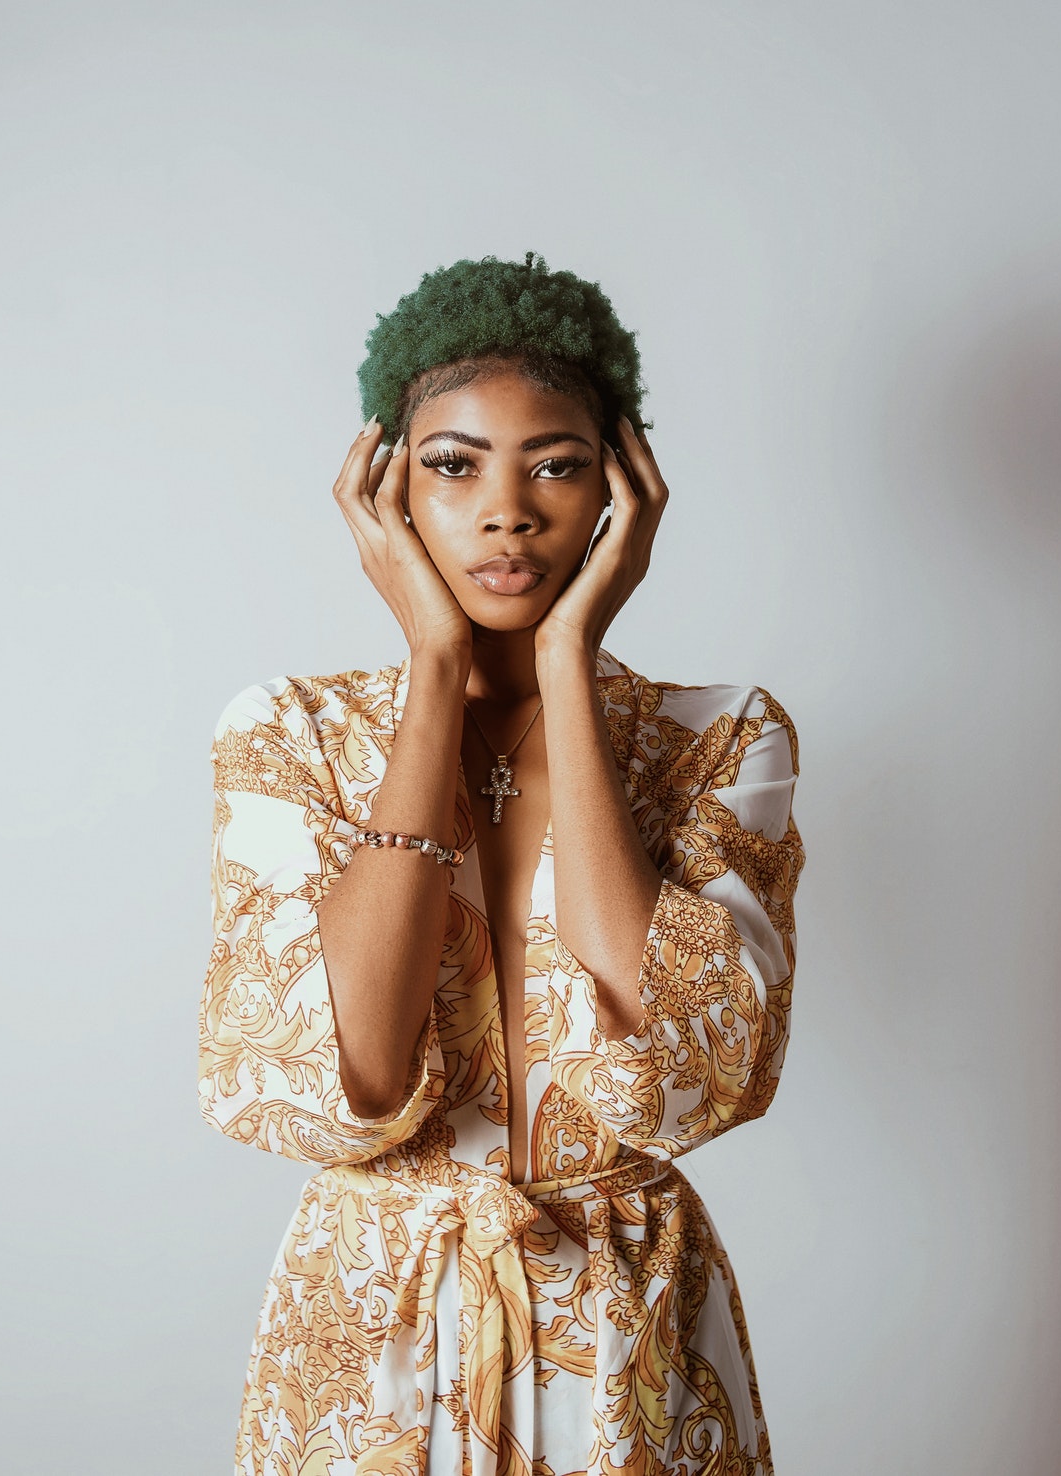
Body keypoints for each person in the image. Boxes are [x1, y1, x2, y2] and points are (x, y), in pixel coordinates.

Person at [200, 252, 806, 1476]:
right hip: (371, 1325)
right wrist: (429, 666)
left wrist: (570, 656)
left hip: (625, 1323)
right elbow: (353, 1077)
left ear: (618, 491)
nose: (506, 509)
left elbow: (678, 1073)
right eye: (453, 465)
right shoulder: (289, 735)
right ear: (385, 494)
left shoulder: (723, 736)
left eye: (555, 464)